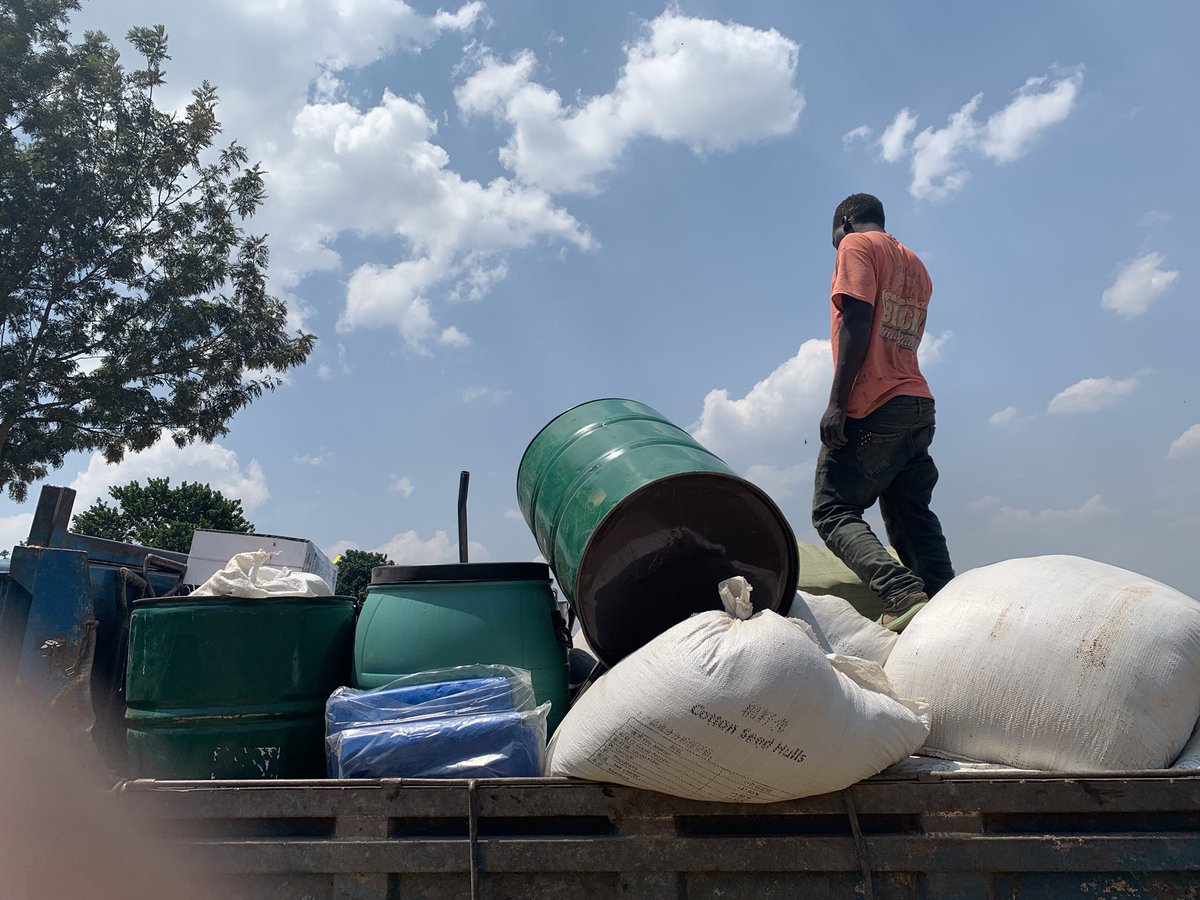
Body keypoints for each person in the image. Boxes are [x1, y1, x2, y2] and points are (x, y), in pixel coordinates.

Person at [812, 193, 954, 632]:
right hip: (917, 403)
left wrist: (838, 403)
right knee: (911, 511)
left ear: (845, 220)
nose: (835, 245)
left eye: (833, 235)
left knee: (833, 509)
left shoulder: (855, 245)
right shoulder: (915, 263)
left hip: (874, 402)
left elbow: (857, 316)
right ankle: (945, 601)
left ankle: (900, 592)